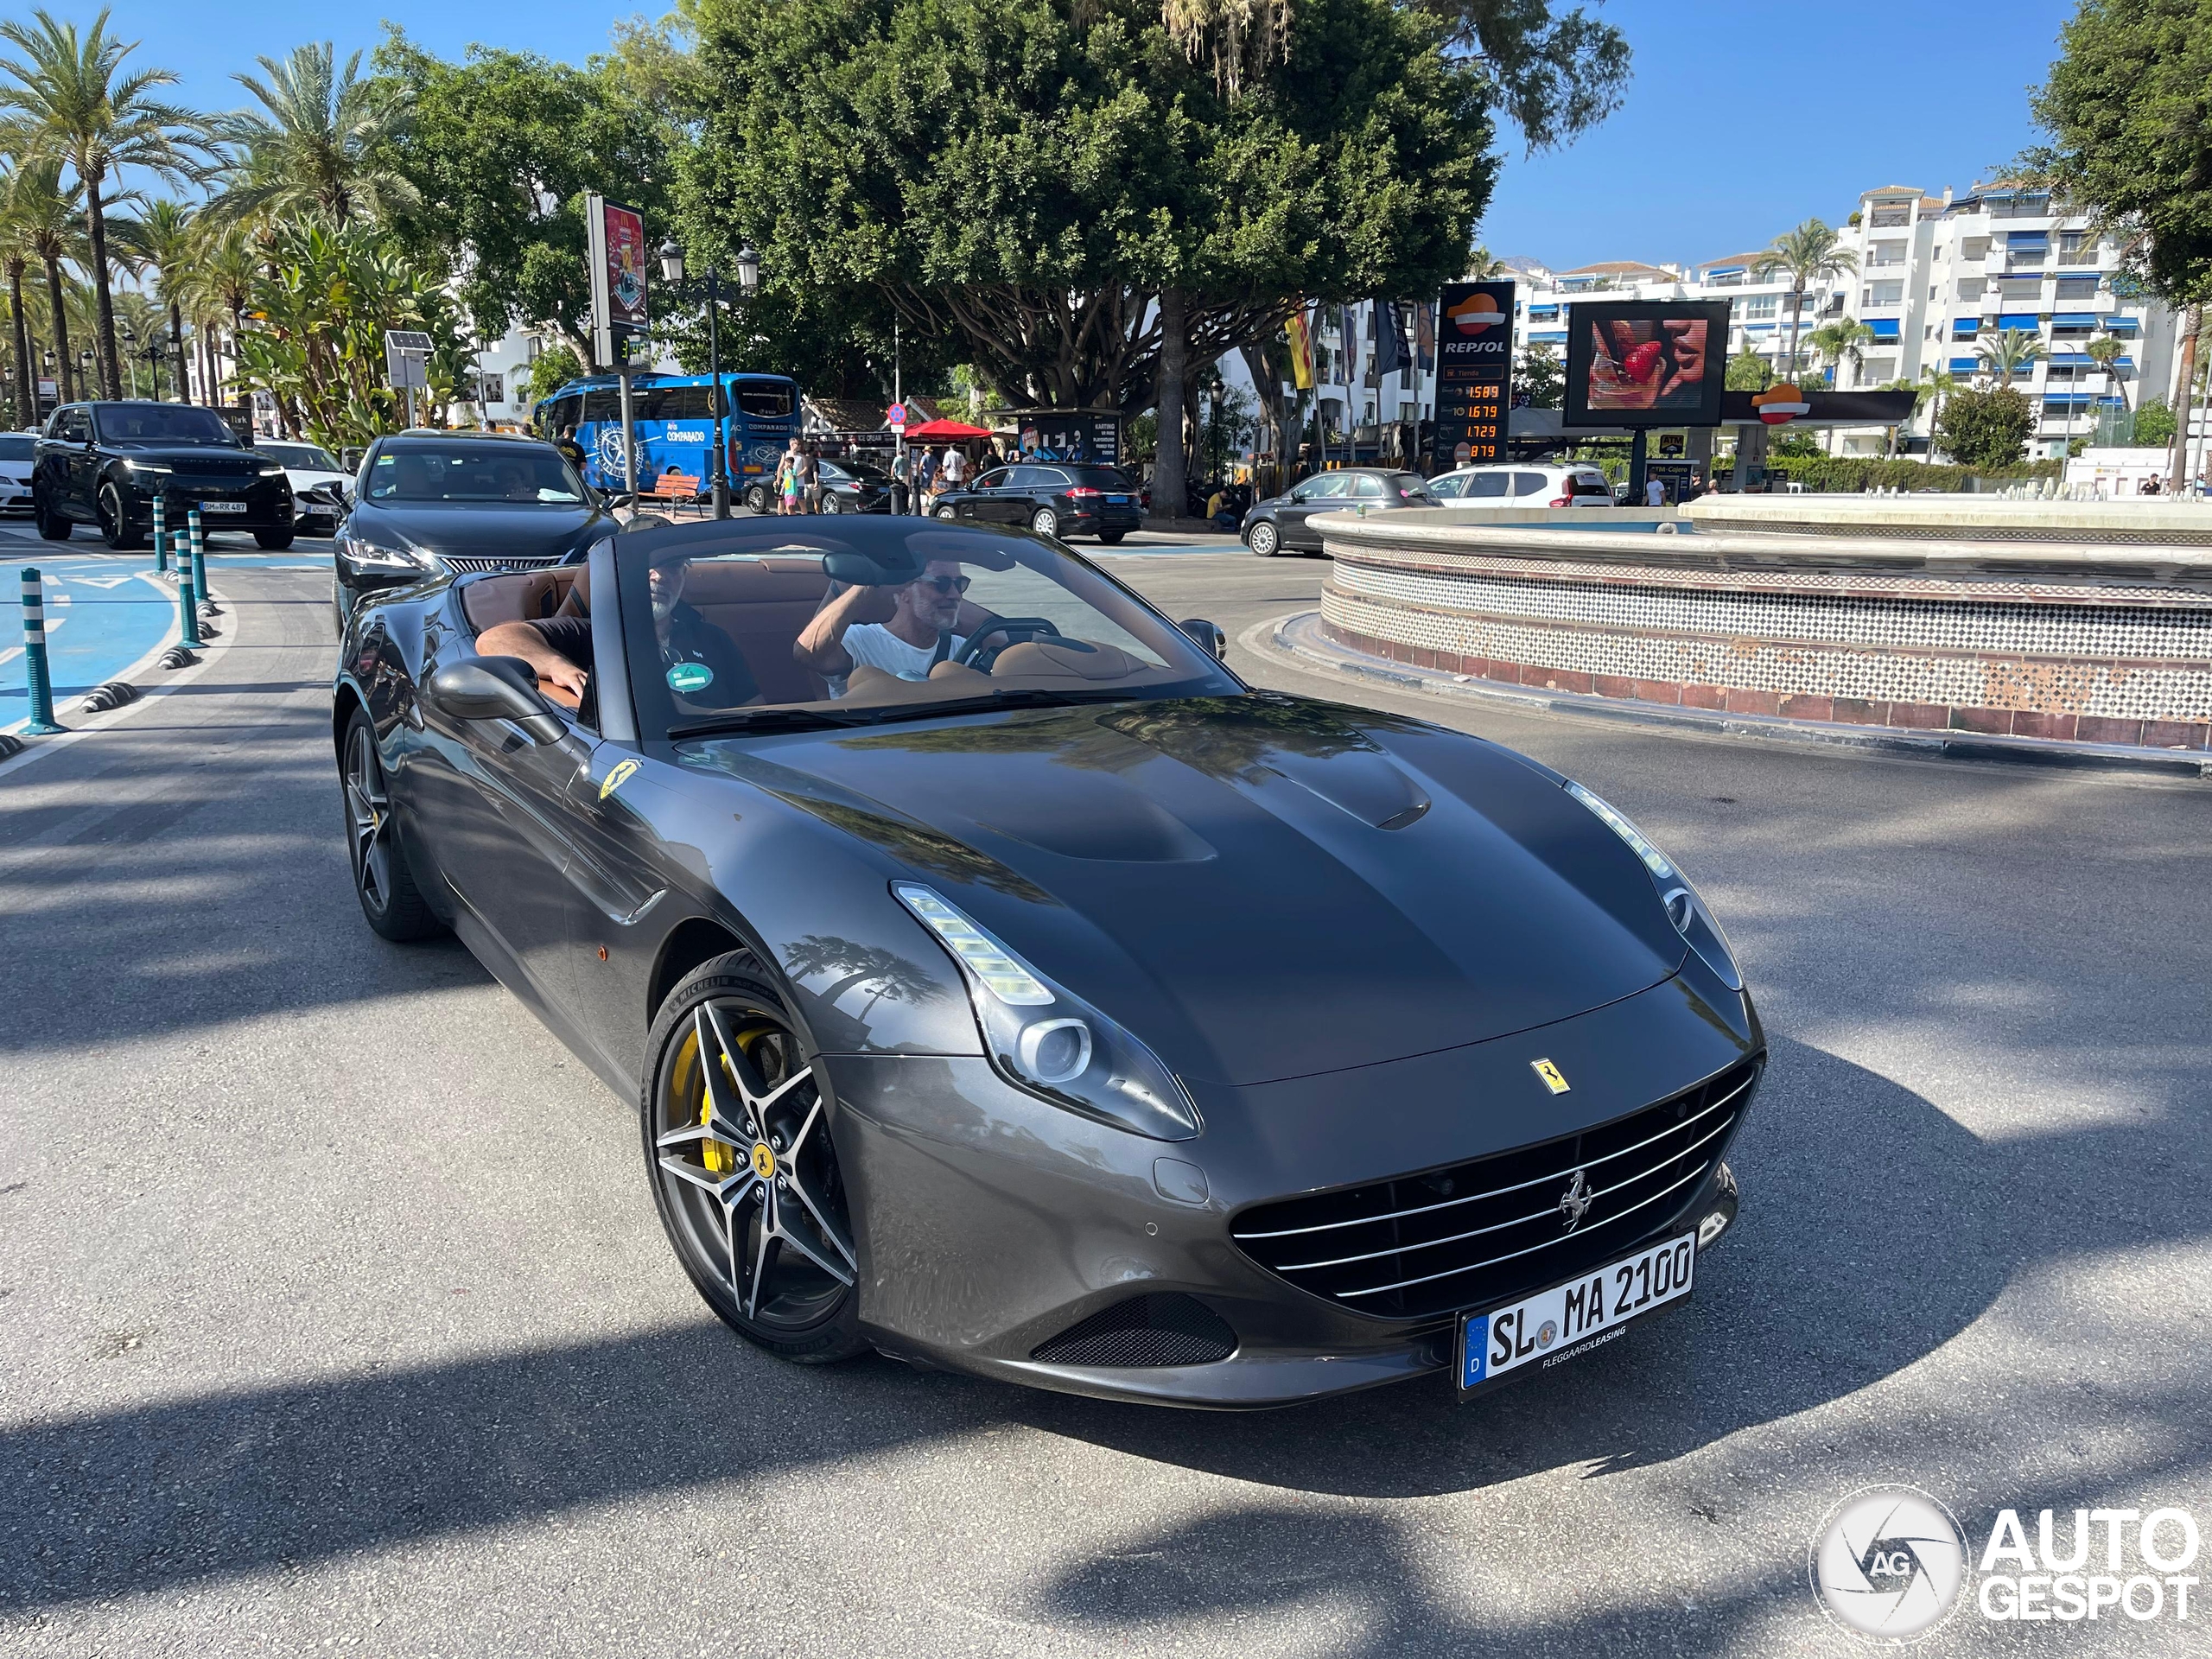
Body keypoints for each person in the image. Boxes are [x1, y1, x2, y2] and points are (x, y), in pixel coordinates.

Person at [477, 557, 760, 712]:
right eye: (646, 564)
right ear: (621, 574)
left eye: (672, 566)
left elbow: (754, 710)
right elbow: (496, 640)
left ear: (683, 578)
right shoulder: (592, 632)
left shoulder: (712, 637)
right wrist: (556, 666)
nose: (660, 576)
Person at [796, 559, 979, 690]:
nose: (955, 595)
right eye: (942, 584)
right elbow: (807, 653)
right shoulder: (859, 640)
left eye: (960, 583)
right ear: (905, 589)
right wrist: (869, 582)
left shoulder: (962, 648)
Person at [889, 444, 912, 515]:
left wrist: (892, 476)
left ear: (898, 453)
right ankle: (905, 506)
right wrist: (910, 479)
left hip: (899, 476)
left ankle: (899, 505)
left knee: (898, 490)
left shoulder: (897, 459)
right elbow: (909, 470)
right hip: (905, 476)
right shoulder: (906, 460)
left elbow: (893, 468)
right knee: (905, 491)